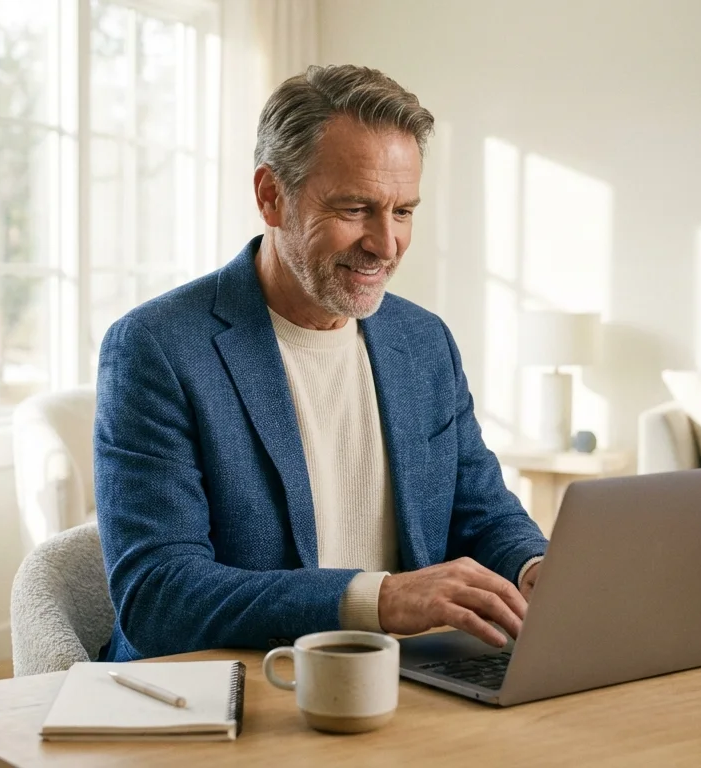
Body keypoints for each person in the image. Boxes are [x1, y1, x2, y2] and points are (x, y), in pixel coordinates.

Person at [93, 64, 548, 662]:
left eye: (404, 211)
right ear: (270, 196)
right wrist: (377, 600)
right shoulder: (156, 348)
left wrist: (534, 566)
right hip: (230, 694)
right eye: (356, 208)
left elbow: (480, 512)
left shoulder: (424, 342)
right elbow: (158, 598)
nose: (386, 245)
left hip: (406, 685)